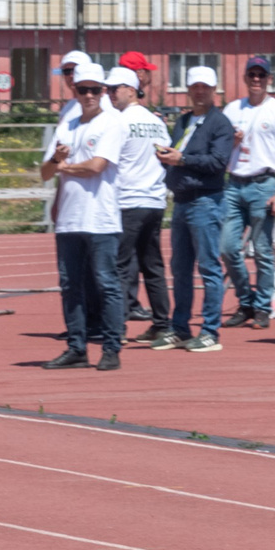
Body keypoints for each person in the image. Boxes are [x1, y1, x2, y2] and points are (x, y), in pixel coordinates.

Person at [38, 67, 128, 369]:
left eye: (94, 90)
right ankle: (77, 347)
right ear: (74, 91)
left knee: (106, 283)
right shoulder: (67, 125)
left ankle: (112, 348)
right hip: (69, 219)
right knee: (70, 284)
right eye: (82, 90)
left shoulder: (111, 124)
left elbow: (98, 166)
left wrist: (63, 166)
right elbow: (44, 172)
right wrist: (55, 160)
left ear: (103, 91)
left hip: (101, 218)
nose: (88, 95)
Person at [163, 64, 237, 352]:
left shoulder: (221, 123)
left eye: (205, 87)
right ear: (188, 90)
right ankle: (180, 327)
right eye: (195, 86)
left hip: (206, 201)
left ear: (214, 90)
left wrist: (182, 160)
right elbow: (177, 153)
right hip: (181, 201)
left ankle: (210, 331)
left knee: (208, 267)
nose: (199, 91)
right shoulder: (182, 121)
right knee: (180, 268)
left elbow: (218, 163)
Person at [222, 55, 275, 329]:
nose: (256, 80)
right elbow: (218, 150)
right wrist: (230, 141)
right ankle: (246, 301)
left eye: (261, 75)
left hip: (263, 183)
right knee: (227, 247)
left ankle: (262, 307)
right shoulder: (231, 109)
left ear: (269, 79)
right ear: (244, 77)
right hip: (234, 183)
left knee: (262, 250)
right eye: (251, 74)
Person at [109, 65, 174, 340]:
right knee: (153, 265)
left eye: (114, 89)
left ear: (131, 90)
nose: (110, 93)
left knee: (120, 265)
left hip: (128, 200)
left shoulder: (119, 122)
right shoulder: (156, 122)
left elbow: (109, 160)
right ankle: (162, 324)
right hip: (154, 200)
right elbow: (167, 154)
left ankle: (118, 328)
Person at [43, 48, 98, 326]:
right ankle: (82, 327)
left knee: (99, 271)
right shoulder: (68, 109)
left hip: (98, 200)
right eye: (66, 71)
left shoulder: (100, 109)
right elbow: (53, 160)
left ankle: (102, 327)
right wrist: (58, 194)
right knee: (75, 272)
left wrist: (63, 168)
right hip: (71, 196)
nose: (71, 76)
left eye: (75, 70)